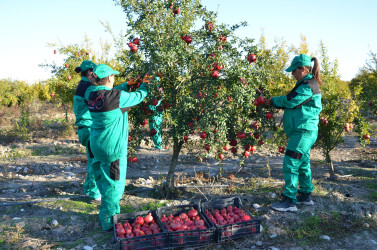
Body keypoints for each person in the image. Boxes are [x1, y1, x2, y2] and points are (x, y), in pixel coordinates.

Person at [85, 64, 150, 231]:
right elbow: (138, 96)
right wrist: (146, 85)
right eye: (113, 76)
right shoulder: (115, 97)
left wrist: (127, 84)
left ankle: (105, 210)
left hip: (96, 144)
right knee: (115, 186)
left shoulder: (93, 95)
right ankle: (109, 221)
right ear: (108, 78)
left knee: (101, 178)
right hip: (111, 147)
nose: (114, 79)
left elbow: (113, 94)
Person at [269, 54, 323, 212]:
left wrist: (272, 101)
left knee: (291, 163)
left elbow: (290, 101)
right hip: (302, 132)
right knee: (303, 163)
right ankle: (306, 195)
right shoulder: (303, 84)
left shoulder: (307, 86)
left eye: (294, 70)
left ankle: (289, 201)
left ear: (303, 69)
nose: (292, 73)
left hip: (303, 132)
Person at [73, 60, 101, 201]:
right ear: (90, 72)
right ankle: (94, 193)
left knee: (92, 160)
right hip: (90, 129)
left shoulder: (81, 86)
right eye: (95, 72)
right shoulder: (89, 88)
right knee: (95, 161)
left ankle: (89, 188)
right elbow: (102, 98)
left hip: (84, 129)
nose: (97, 75)